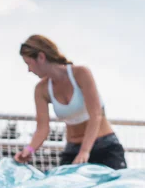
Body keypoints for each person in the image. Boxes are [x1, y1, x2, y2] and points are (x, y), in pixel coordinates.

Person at [14, 34, 127, 170]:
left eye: (29, 64)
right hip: (73, 150)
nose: (29, 70)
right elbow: (42, 128)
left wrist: (85, 151)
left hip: (105, 146)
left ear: (41, 57)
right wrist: (29, 150)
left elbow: (96, 115)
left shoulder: (81, 73)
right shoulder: (41, 89)